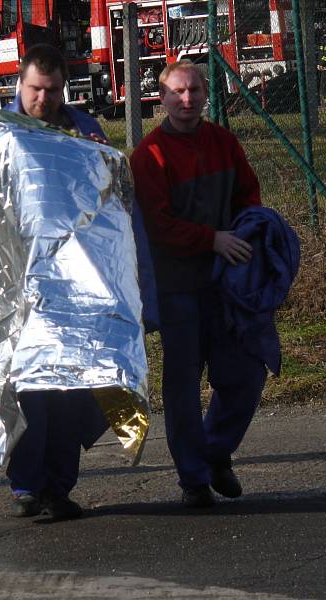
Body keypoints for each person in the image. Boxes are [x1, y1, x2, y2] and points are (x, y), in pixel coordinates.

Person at [2, 43, 158, 520]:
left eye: (51, 90)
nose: (42, 99)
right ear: (19, 85)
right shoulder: (2, 138)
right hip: (23, 291)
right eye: (34, 89)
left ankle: (59, 487)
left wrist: (134, 287)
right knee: (31, 392)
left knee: (72, 392)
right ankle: (26, 485)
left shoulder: (84, 132)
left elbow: (116, 209)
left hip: (80, 289)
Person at [129, 61, 271, 508]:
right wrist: (212, 239)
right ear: (162, 98)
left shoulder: (223, 142)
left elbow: (249, 193)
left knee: (246, 372)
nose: (186, 99)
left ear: (206, 94)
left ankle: (215, 453)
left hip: (226, 285)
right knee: (183, 388)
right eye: (177, 92)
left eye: (193, 91)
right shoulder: (149, 155)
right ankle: (193, 478)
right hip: (178, 288)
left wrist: (245, 233)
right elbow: (159, 224)